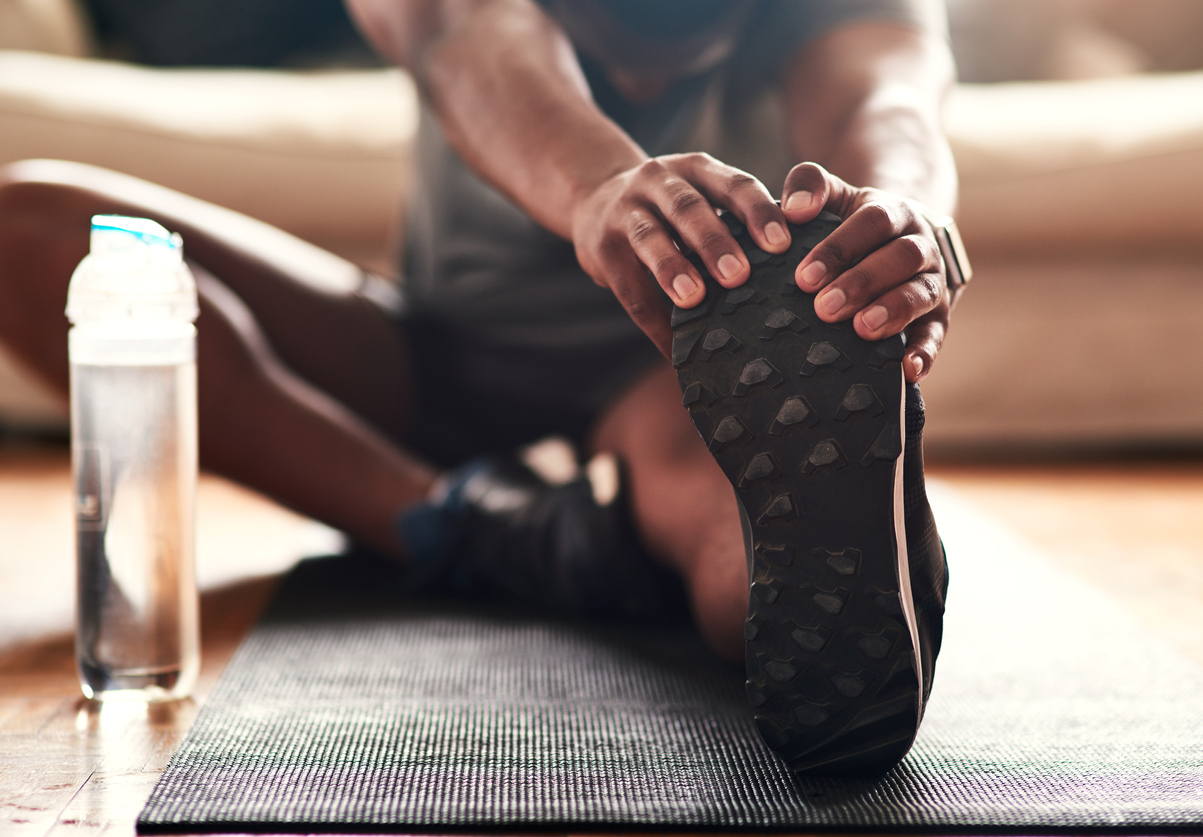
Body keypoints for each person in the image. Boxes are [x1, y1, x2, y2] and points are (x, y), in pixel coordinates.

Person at [0, 0, 964, 774]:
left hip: (675, 376)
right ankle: (476, 523)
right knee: (27, 231)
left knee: (751, 531)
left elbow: (882, 101)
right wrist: (600, 189)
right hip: (429, 358)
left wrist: (903, 212)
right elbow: (470, 35)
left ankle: (850, 558)